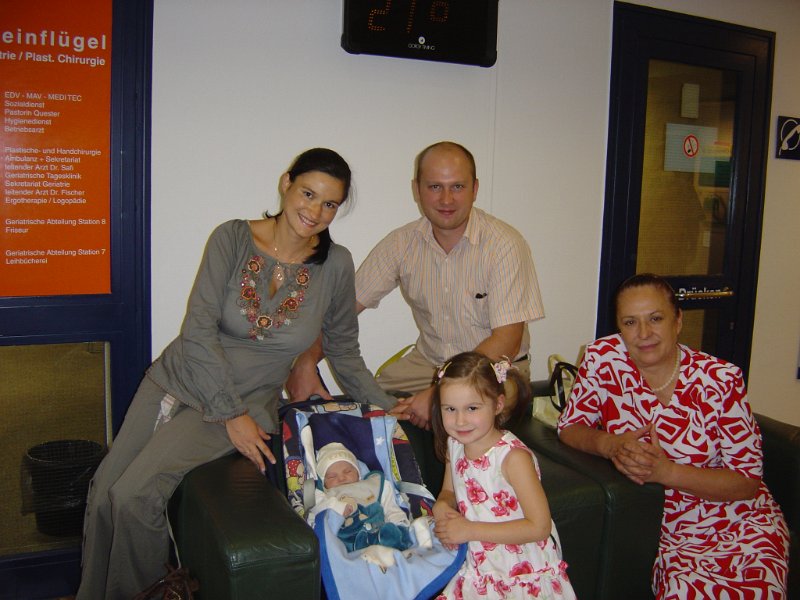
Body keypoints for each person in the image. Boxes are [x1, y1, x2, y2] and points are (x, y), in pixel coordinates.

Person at [76, 148, 397, 600]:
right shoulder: (232, 237)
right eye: (308, 194)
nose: (315, 211)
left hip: (246, 401)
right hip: (177, 380)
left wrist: (387, 407)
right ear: (286, 183)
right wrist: (229, 412)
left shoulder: (336, 265)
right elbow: (197, 327)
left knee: (133, 497)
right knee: (103, 491)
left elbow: (343, 349)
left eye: (330, 204)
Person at [557, 273, 789, 598]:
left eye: (655, 319)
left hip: (738, 521)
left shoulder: (721, 381)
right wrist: (610, 444)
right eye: (630, 322)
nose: (643, 334)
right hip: (667, 528)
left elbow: (747, 482)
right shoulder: (603, 360)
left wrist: (667, 472)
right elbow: (570, 426)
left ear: (678, 321)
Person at [287, 141, 544, 430]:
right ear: (417, 189)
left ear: (475, 189)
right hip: (430, 364)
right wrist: (306, 361)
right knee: (375, 405)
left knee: (462, 412)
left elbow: (507, 341)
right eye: (435, 187)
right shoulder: (401, 243)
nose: (446, 199)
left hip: (496, 370)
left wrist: (440, 393)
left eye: (457, 187)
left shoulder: (505, 245)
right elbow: (341, 312)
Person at [431, 351, 576, 599]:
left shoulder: (513, 458)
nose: (460, 420)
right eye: (450, 409)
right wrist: (442, 505)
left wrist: (470, 530)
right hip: (478, 568)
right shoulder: (454, 446)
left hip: (520, 574)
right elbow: (449, 491)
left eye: (472, 408)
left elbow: (539, 527)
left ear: (497, 405)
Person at [307, 442, 413, 553]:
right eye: (332, 476)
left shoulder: (373, 486)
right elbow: (315, 512)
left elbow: (391, 509)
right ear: (324, 483)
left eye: (348, 471)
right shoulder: (324, 495)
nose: (342, 478)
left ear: (358, 473)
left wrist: (400, 526)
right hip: (346, 543)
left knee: (398, 532)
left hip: (378, 534)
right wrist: (335, 507)